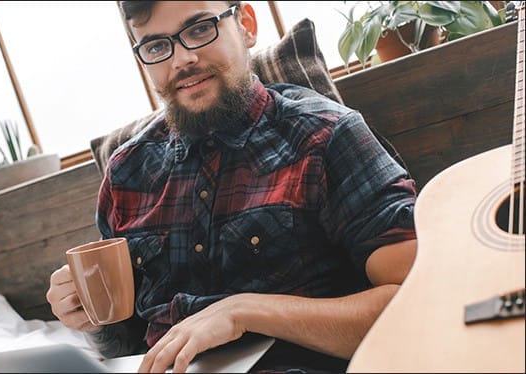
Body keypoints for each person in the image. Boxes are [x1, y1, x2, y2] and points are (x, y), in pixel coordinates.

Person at [46, 1, 417, 372]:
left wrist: (244, 311)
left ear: (246, 25)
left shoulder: (325, 136)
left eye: (199, 29)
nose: (182, 60)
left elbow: (416, 299)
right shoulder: (126, 173)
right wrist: (90, 320)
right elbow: (125, 343)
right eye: (157, 46)